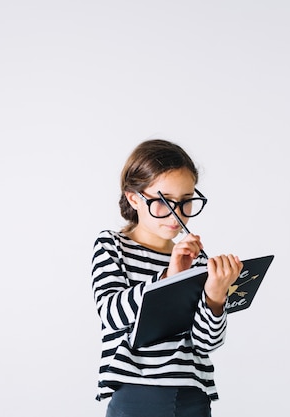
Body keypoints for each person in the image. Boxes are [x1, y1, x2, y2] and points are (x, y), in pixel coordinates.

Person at [91, 139, 243, 417]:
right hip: (137, 393)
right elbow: (111, 314)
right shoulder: (112, 245)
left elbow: (207, 342)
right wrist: (168, 276)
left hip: (193, 395)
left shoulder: (197, 259)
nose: (177, 214)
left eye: (186, 201)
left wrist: (216, 297)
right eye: (163, 201)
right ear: (134, 198)